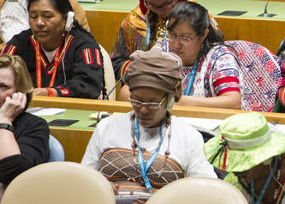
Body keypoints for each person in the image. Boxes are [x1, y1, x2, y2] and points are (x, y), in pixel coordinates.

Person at [81, 47, 217, 195]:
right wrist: (99, 185)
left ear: (170, 100)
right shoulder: (107, 127)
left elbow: (207, 192)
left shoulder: (188, 137)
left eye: (152, 103)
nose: (143, 110)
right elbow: (83, 179)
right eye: (137, 101)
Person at [156, 2, 285, 111]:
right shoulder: (163, 49)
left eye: (186, 38)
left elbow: (233, 102)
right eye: (172, 35)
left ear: (203, 35)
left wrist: (179, 101)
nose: (177, 44)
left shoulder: (220, 57)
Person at [1, 0, 105, 99]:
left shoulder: (84, 45)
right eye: (33, 16)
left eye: (47, 16)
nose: (39, 23)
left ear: (66, 19)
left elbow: (88, 86)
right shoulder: (19, 42)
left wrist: (50, 93)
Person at [111, 0, 198, 81]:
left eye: (167, 4)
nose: (160, 11)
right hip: (143, 87)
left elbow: (214, 60)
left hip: (187, 88)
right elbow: (115, 62)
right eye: (151, 5)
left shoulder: (197, 18)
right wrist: (137, 68)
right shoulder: (134, 21)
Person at [0, 55, 50, 204]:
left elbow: (12, 175)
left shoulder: (34, 127)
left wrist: (5, 121)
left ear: (20, 94)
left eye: (3, 86)